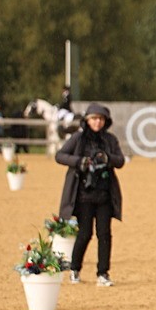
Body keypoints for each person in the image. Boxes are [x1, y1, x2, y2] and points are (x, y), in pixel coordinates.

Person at [55, 103, 125, 286]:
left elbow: (121, 161)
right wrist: (80, 162)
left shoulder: (110, 140)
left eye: (101, 119)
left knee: (105, 234)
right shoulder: (78, 139)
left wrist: (107, 158)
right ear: (87, 120)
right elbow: (60, 155)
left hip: (104, 195)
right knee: (85, 233)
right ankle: (75, 269)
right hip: (84, 195)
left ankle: (103, 273)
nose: (98, 122)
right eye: (94, 118)